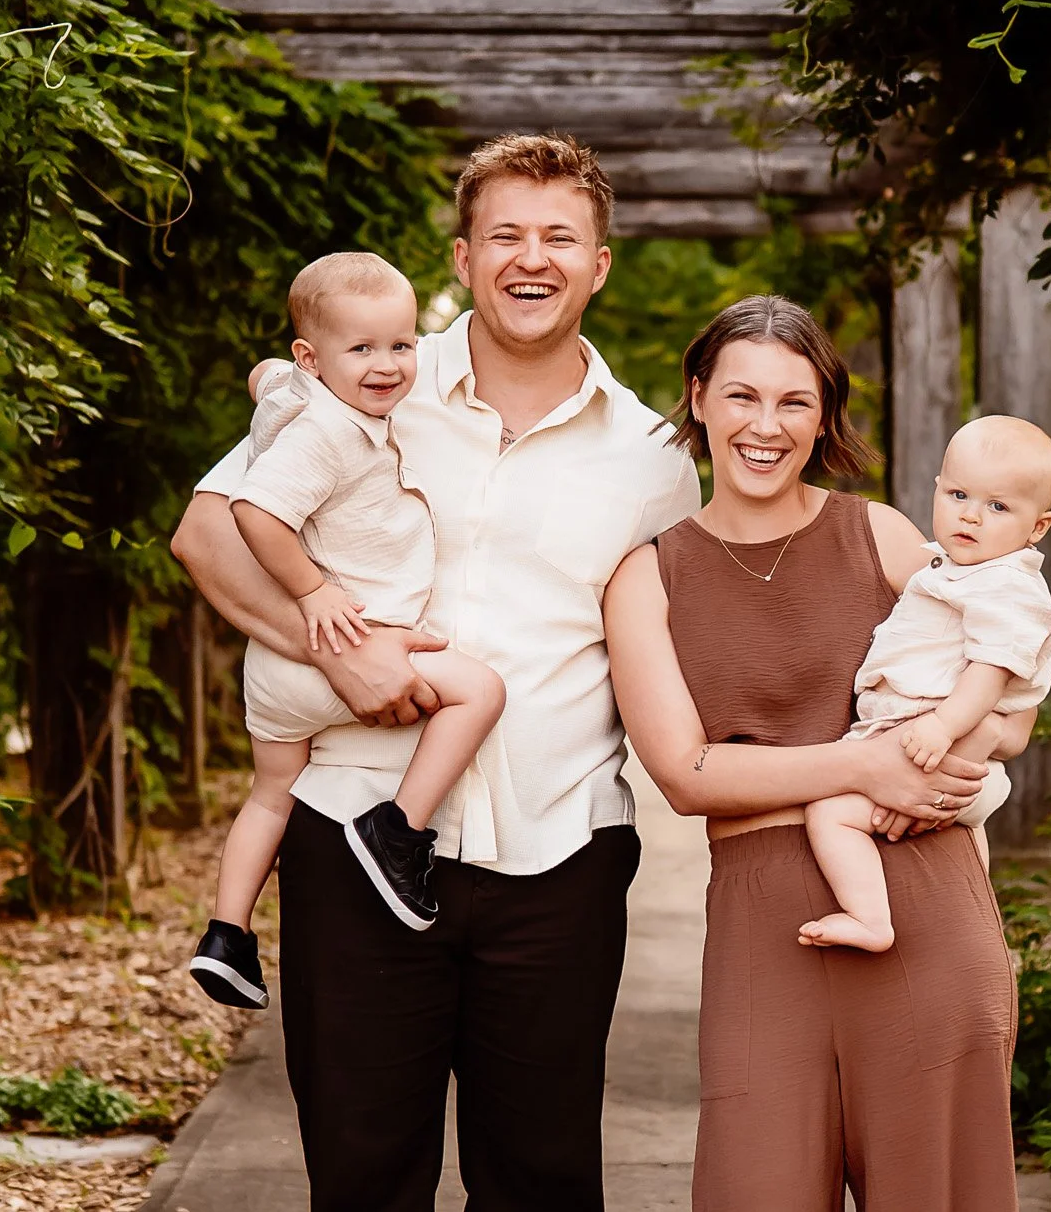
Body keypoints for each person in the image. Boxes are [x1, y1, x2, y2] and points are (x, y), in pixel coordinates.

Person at [170, 133, 700, 1211]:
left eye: (560, 236)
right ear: (462, 258)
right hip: (352, 829)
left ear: (599, 264)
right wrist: (338, 652)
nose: (531, 257)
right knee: (362, 1180)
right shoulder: (372, 378)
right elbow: (208, 536)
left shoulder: (653, 457)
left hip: (559, 856)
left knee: (542, 1184)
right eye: (505, 233)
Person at [604, 294, 1035, 1211]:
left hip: (924, 895)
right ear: (698, 398)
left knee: (939, 1192)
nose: (766, 426)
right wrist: (865, 765)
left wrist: (946, 759)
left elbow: (1009, 702)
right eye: (742, 395)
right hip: (764, 922)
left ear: (824, 414)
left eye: (795, 402)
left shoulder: (877, 532)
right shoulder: (649, 574)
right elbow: (685, 775)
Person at [186, 253, 508, 1012]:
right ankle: (399, 830)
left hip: (274, 672)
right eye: (361, 349)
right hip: (343, 648)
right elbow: (255, 512)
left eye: (401, 345)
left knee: (269, 795)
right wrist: (313, 588)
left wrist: (273, 374)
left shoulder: (297, 395)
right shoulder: (328, 434)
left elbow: (265, 376)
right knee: (480, 692)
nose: (387, 365)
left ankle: (227, 934)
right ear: (316, 358)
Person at [801, 414, 1051, 952]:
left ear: (1037, 527)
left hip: (941, 745)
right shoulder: (954, 570)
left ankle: (870, 918)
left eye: (998, 506)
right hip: (929, 743)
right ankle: (976, 928)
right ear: (937, 489)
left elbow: (992, 670)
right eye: (960, 494)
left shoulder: (1007, 586)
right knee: (964, 846)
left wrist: (943, 729)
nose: (970, 515)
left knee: (829, 813)